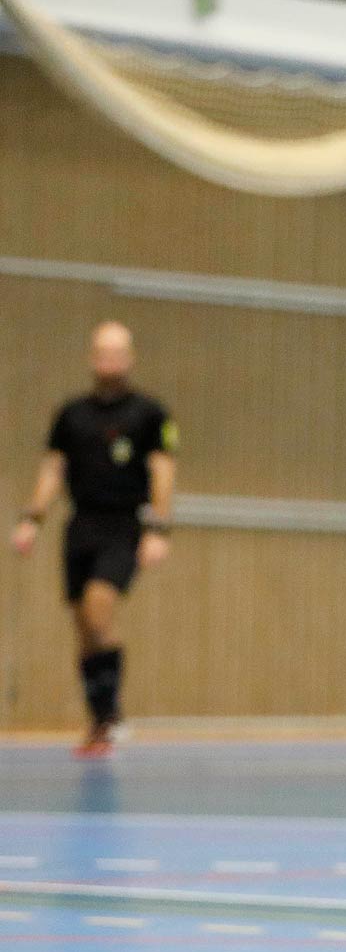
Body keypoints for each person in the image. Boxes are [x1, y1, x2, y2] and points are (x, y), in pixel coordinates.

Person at [10, 322, 177, 758]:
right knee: (84, 625)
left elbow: (163, 469)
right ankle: (101, 718)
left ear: (130, 358)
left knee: (101, 607)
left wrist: (158, 526)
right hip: (80, 525)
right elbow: (52, 469)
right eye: (102, 353)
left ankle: (111, 713)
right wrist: (32, 518)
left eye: (118, 353)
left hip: (123, 525)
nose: (110, 361)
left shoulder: (149, 413)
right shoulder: (71, 415)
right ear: (92, 358)